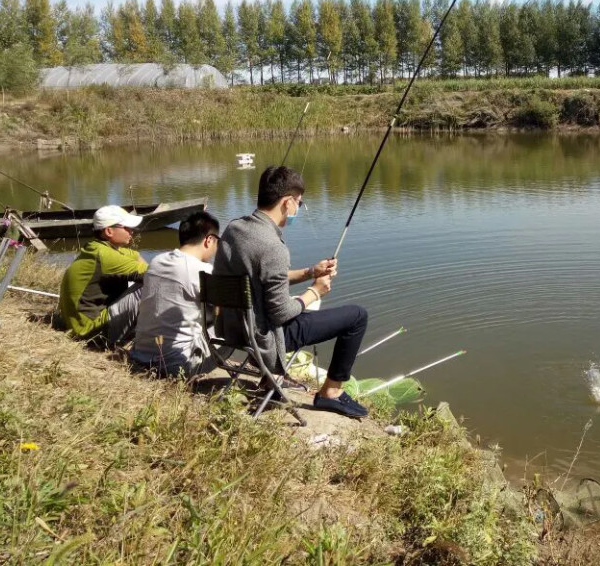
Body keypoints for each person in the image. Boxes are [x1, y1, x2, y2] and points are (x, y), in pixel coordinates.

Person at [213, 165, 370, 419]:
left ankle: (268, 381)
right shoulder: (273, 247)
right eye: (299, 202)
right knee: (356, 317)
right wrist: (314, 292)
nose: (298, 207)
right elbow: (281, 313)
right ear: (287, 202)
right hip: (264, 337)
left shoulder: (234, 229)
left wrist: (310, 271)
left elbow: (261, 278)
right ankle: (330, 394)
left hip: (231, 328)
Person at [129, 211, 222, 378]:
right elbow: (225, 312)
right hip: (177, 365)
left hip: (139, 356)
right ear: (209, 240)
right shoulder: (204, 271)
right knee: (234, 326)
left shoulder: (157, 261)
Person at [58, 205, 147, 349]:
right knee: (147, 286)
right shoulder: (105, 256)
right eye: (127, 227)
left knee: (145, 280)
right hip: (91, 333)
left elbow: (135, 255)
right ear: (109, 231)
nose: (132, 231)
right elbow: (156, 274)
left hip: (81, 325)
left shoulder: (99, 248)